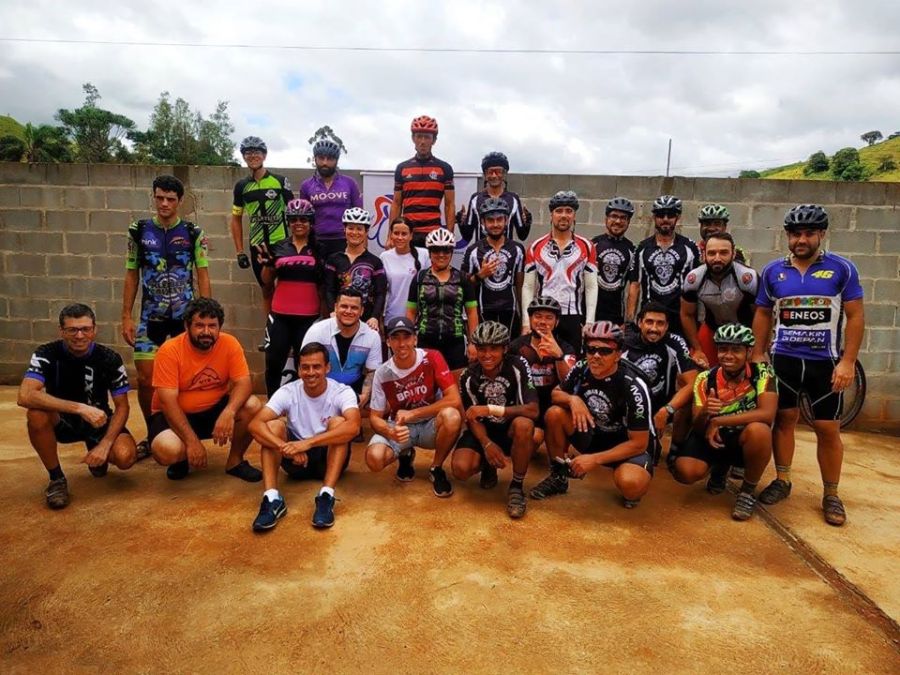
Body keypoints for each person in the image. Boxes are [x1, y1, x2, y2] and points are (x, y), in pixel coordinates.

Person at [751, 204, 865, 527]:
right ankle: (783, 480)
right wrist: (758, 353)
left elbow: (856, 316)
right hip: (784, 361)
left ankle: (831, 494)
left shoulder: (842, 269)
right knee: (784, 420)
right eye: (795, 234)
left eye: (808, 233)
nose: (801, 240)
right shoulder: (773, 271)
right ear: (787, 236)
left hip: (824, 364)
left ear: (821, 234)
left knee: (827, 429)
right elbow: (763, 313)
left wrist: (848, 361)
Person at [121, 174, 210, 461]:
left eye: (170, 199)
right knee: (146, 379)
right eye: (159, 198)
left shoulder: (193, 232)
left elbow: (202, 273)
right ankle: (153, 433)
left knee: (186, 379)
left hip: (184, 320)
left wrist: (207, 313)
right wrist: (126, 316)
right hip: (151, 318)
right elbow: (131, 273)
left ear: (179, 201)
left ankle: (183, 430)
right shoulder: (139, 230)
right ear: (154, 197)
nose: (164, 204)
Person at [18, 304, 137, 509]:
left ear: (95, 329)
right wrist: (80, 408)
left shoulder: (110, 358)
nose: (80, 335)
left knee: (126, 457)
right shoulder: (46, 353)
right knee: (36, 414)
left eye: (85, 329)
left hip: (98, 421)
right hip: (62, 421)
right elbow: (25, 395)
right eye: (72, 330)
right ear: (61, 331)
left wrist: (105, 444)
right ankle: (56, 479)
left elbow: (122, 407)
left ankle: (97, 451)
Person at [529, 322, 655, 509]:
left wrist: (594, 459)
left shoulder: (633, 386)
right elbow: (556, 394)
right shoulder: (582, 367)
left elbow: (639, 443)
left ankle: (630, 475)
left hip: (626, 445)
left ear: (618, 355)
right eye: (591, 349)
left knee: (631, 485)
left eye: (605, 351)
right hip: (595, 433)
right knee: (554, 414)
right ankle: (558, 477)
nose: (596, 356)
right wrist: (573, 400)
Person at [249, 342, 361, 531]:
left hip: (327, 458)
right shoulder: (288, 391)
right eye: (305, 367)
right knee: (273, 426)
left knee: (339, 424)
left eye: (316, 367)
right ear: (299, 369)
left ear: (327, 368)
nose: (310, 372)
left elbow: (354, 427)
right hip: (295, 461)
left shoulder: (342, 391)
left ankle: (326, 496)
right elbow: (255, 424)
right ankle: (272, 498)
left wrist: (307, 444)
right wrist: (285, 447)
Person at [148, 298, 263, 482]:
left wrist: (229, 412)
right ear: (187, 326)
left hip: (213, 410)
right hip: (174, 415)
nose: (206, 332)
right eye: (199, 326)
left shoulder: (230, 343)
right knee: (168, 450)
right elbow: (167, 402)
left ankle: (235, 461)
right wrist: (192, 442)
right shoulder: (169, 351)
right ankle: (182, 459)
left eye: (212, 326)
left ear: (219, 327)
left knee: (253, 405)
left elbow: (244, 383)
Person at [671, 324, 776, 521]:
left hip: (742, 437)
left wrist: (719, 420)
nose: (728, 355)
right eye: (723, 349)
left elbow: (767, 414)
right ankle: (719, 469)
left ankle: (747, 492)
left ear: (749, 352)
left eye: (736, 350)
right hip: (712, 437)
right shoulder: (705, 378)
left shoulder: (764, 373)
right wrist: (705, 412)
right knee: (685, 471)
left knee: (760, 431)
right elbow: (698, 427)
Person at [365, 317, 463, 497]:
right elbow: (374, 417)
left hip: (431, 424)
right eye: (395, 338)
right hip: (401, 428)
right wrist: (390, 432)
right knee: (374, 459)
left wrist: (414, 413)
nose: (402, 343)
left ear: (415, 339)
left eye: (407, 337)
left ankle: (436, 467)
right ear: (388, 342)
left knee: (452, 416)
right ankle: (405, 454)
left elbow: (454, 399)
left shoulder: (432, 357)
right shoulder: (382, 373)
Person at [451, 322, 539, 519]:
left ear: (505, 349)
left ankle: (516, 487)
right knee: (461, 469)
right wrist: (487, 444)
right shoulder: (468, 376)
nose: (487, 355)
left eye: (494, 348)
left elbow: (533, 410)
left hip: (510, 428)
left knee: (525, 425)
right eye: (482, 349)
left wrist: (490, 409)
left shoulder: (517, 365)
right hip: (483, 430)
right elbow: (472, 418)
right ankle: (487, 465)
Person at [260, 198, 324, 396]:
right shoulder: (278, 247)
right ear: (288, 222)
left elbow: (324, 286)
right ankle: (272, 403)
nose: (298, 223)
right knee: (273, 362)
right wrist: (268, 264)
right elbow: (266, 282)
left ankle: (303, 405)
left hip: (309, 318)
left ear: (311, 222)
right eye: (294, 219)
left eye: (303, 219)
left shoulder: (319, 249)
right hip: (280, 316)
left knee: (305, 365)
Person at [621, 302, 698, 466]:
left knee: (692, 395)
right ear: (639, 322)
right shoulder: (625, 344)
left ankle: (676, 448)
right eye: (649, 322)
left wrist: (666, 410)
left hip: (663, 406)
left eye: (660, 323)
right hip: (631, 409)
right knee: (641, 456)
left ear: (667, 326)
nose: (654, 328)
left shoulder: (674, 342)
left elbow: (693, 383)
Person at [522, 190, 598, 352]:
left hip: (572, 316)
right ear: (551, 215)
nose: (564, 215)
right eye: (559, 211)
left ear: (574, 215)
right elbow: (528, 287)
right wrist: (526, 323)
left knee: (570, 362)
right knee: (542, 361)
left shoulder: (587, 246)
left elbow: (591, 286)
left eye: (569, 211)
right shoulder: (535, 246)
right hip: (544, 315)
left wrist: (590, 322)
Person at [230, 136, 293, 322]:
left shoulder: (279, 181)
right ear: (244, 156)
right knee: (266, 289)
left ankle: (285, 327)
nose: (252, 156)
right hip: (258, 245)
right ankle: (270, 329)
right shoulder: (241, 187)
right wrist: (239, 251)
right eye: (248, 153)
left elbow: (294, 212)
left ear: (264, 155)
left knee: (285, 287)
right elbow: (236, 219)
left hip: (281, 244)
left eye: (257, 152)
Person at [626, 194, 701, 338]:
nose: (665, 219)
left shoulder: (690, 248)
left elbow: (699, 286)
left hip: (681, 318)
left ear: (677, 218)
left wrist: (699, 319)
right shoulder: (642, 248)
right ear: (654, 217)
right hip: (651, 318)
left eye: (670, 215)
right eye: (661, 215)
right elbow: (635, 285)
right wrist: (630, 321)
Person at [681, 232, 758, 368]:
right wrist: (697, 349)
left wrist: (759, 348)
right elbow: (686, 314)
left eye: (723, 253)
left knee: (755, 371)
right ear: (704, 255)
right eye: (711, 253)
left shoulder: (747, 278)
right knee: (695, 369)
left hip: (746, 331)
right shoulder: (694, 279)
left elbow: (762, 314)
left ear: (733, 254)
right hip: (712, 329)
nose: (717, 258)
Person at [406, 228, 479, 371]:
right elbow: (411, 312)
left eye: (446, 250)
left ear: (451, 252)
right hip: (426, 340)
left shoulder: (463, 279)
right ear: (429, 252)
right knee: (427, 382)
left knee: (456, 383)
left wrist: (474, 343)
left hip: (455, 342)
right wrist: (410, 339)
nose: (441, 255)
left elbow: (472, 313)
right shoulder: (419, 278)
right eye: (436, 250)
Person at [509, 296, 576, 449]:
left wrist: (559, 356)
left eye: (549, 318)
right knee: (534, 439)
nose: (542, 322)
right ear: (530, 319)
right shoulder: (515, 347)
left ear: (556, 322)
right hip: (527, 406)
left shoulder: (566, 348)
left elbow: (570, 384)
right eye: (538, 316)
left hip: (553, 407)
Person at [302, 289, 382, 405]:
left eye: (354, 308)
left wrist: (364, 397)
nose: (348, 311)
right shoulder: (317, 330)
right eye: (344, 306)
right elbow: (306, 367)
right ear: (335, 308)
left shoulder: (372, 336)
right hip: (321, 386)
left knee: (380, 405)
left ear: (361, 311)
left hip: (354, 388)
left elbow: (372, 371)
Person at [461, 197, 526, 335]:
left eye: (499, 219)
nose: (495, 224)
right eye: (490, 220)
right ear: (482, 222)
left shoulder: (518, 249)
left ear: (506, 220)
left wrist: (524, 320)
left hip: (510, 312)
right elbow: (463, 286)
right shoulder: (473, 250)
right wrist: (480, 275)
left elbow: (521, 287)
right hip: (483, 311)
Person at [389, 115, 455, 246]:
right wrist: (390, 236)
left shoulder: (445, 168)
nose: (423, 141)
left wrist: (449, 236)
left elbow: (449, 205)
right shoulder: (402, 168)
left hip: (433, 234)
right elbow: (396, 204)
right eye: (419, 136)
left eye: (427, 137)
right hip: (407, 233)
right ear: (413, 138)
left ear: (434, 140)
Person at [299, 138, 363, 260]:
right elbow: (303, 218)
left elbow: (359, 215)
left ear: (336, 160)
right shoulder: (306, 186)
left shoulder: (349, 183)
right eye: (321, 158)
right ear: (315, 159)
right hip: (317, 241)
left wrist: (362, 243)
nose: (325, 163)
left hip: (345, 240)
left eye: (330, 159)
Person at [324, 207, 386, 331]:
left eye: (359, 229)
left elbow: (380, 293)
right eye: (351, 228)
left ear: (366, 231)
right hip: (339, 318)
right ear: (344, 229)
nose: (355, 232)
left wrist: (374, 317)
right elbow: (329, 289)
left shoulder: (375, 262)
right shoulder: (333, 259)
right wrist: (332, 311)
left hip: (366, 321)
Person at [457, 151, 531, 243]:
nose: (494, 175)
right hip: (481, 251)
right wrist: (461, 221)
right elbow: (467, 236)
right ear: (485, 174)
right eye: (490, 172)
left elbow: (522, 235)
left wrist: (527, 221)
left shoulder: (513, 199)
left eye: (498, 172)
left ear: (504, 173)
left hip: (507, 251)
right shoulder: (476, 199)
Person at [592, 197, 636, 325]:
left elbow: (634, 287)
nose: (618, 221)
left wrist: (628, 321)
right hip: (590, 315)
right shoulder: (592, 245)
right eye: (614, 216)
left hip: (616, 317)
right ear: (606, 218)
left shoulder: (632, 250)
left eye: (623, 218)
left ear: (628, 221)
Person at [380, 218, 430, 326]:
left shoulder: (424, 254)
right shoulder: (384, 257)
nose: (400, 237)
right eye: (396, 233)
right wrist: (380, 319)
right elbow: (381, 292)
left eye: (404, 234)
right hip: (392, 318)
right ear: (391, 234)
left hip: (420, 319)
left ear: (411, 235)